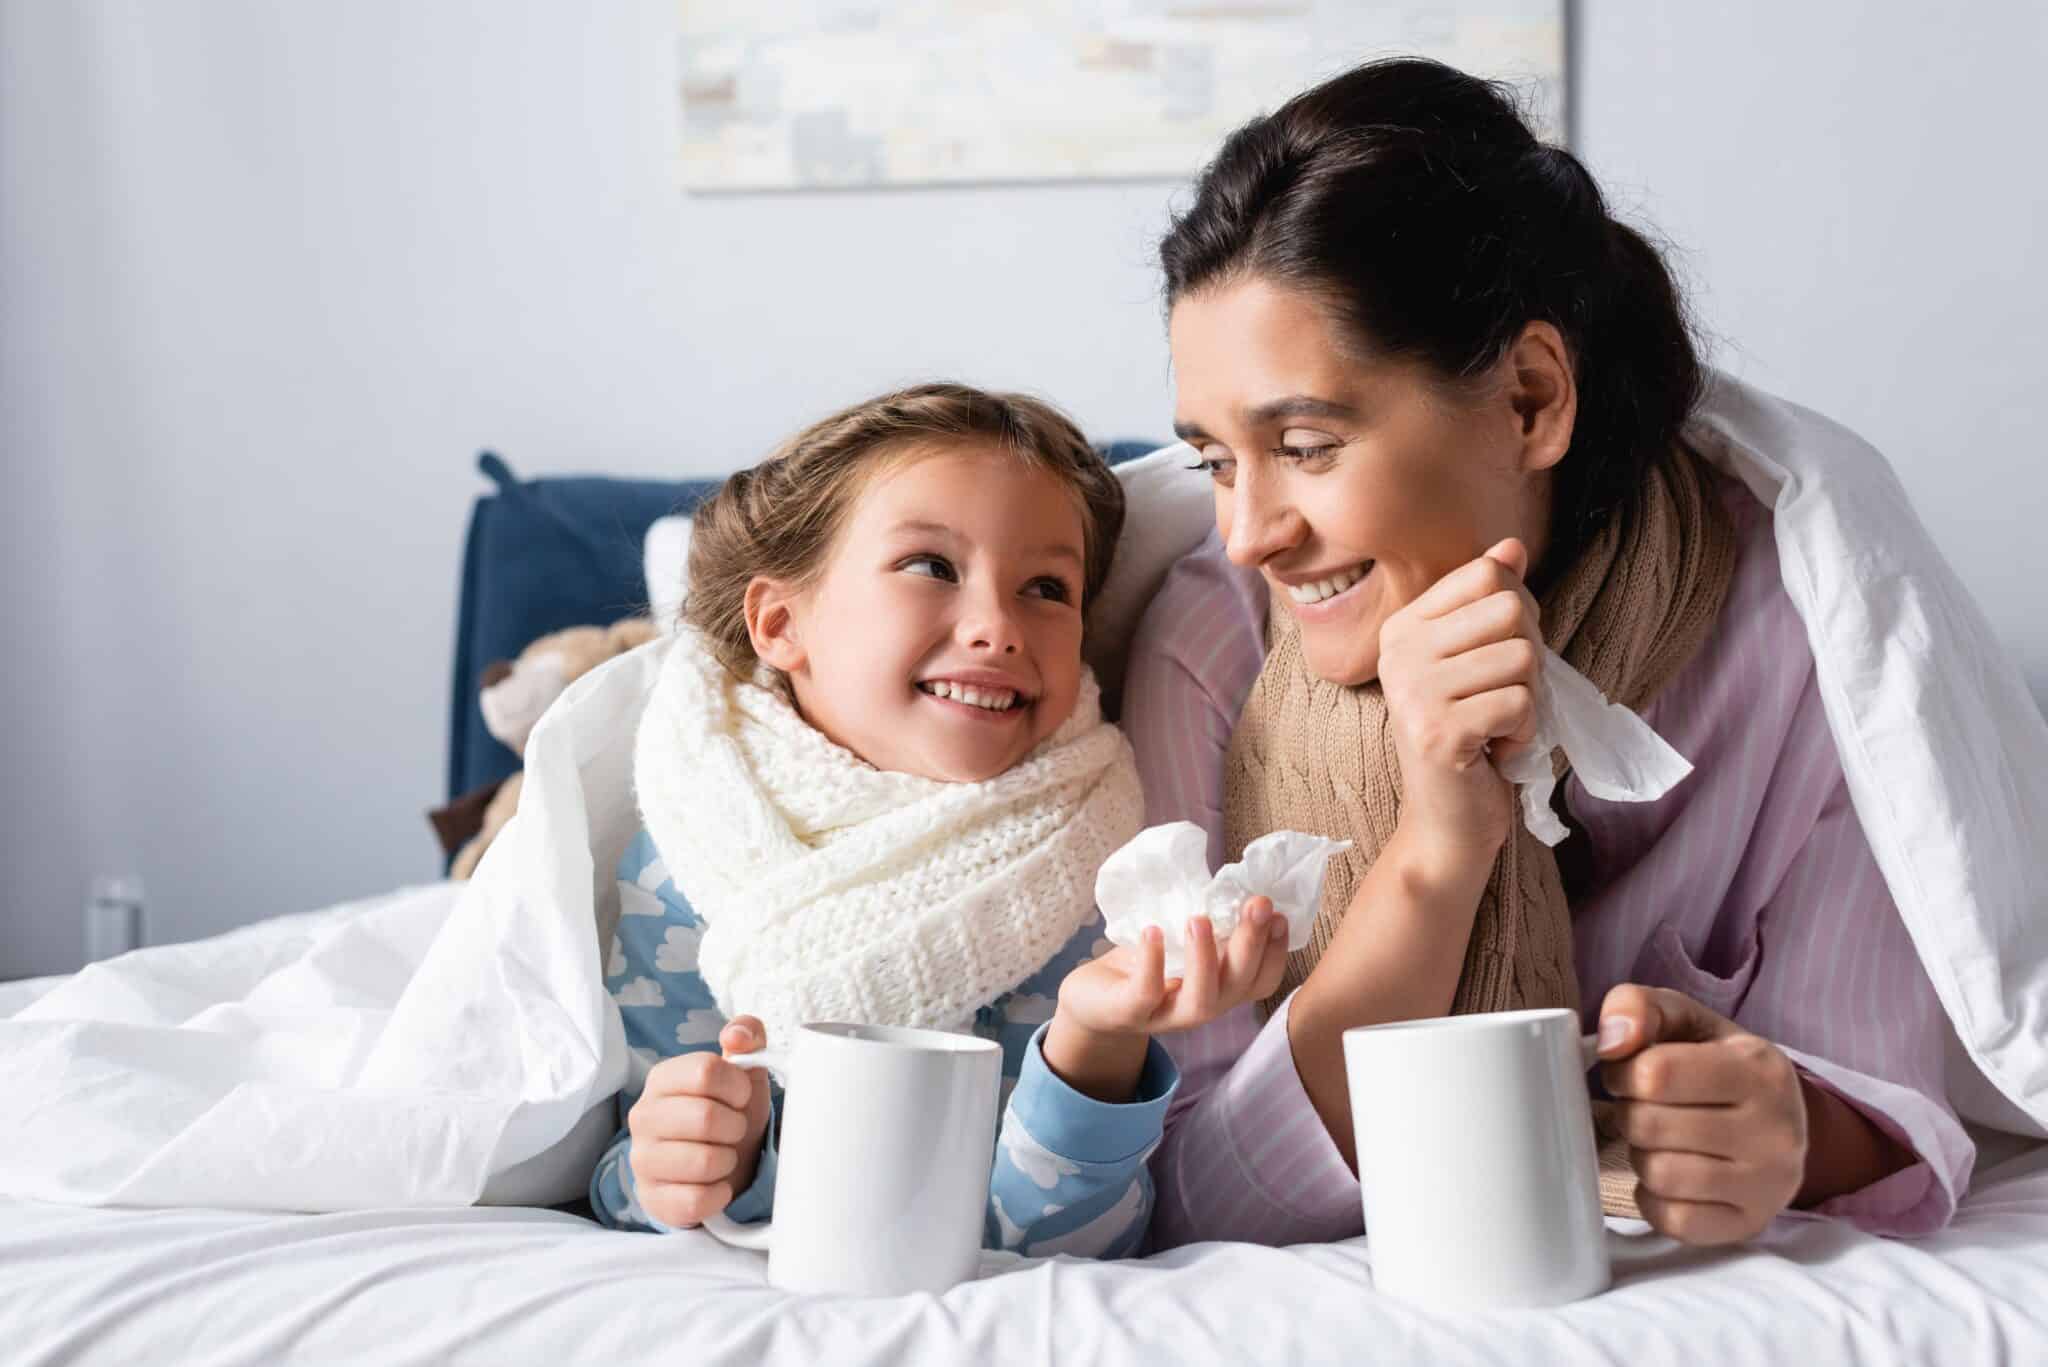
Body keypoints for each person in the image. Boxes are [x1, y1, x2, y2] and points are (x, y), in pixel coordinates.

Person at [1123, 57, 1972, 1249]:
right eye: (1214, 460)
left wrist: (1777, 1128)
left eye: (1305, 444)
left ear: (1527, 397)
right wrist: (1435, 849)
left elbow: (1882, 1089)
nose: (1246, 530)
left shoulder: (1795, 628)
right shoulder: (1207, 644)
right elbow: (1196, 1195)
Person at [589, 382, 1288, 1257]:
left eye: (1045, 586)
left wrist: (1091, 1045)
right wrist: (683, 1164)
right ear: (778, 622)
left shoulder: (1096, 861)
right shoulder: (689, 851)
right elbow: (621, 1191)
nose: (997, 626)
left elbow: (1069, 1243)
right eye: (931, 567)